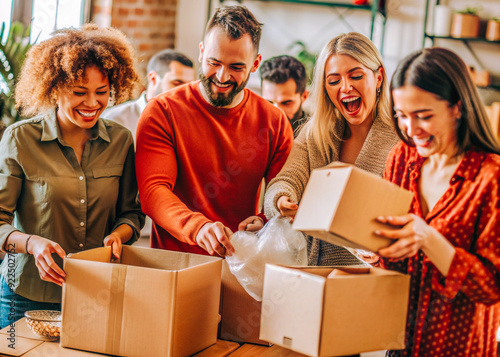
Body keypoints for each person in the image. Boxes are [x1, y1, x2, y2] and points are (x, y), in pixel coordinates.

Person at [0, 24, 145, 328]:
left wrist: (120, 235)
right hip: (25, 294)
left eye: (101, 92)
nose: (92, 103)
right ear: (53, 88)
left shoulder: (120, 141)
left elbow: (131, 213)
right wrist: (31, 244)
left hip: (96, 292)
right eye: (80, 92)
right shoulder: (20, 139)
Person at [135, 5, 294, 257]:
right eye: (214, 62)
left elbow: (283, 191)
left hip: (241, 265)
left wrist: (265, 218)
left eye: (236, 67)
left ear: (255, 64)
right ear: (201, 52)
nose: (222, 76)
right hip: (175, 263)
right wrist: (198, 228)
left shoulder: (274, 122)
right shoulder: (162, 111)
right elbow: (153, 191)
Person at [375, 47, 500, 356]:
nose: (411, 130)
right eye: (402, 116)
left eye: (424, 116)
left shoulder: (490, 177)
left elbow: (492, 287)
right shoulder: (401, 158)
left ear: (457, 107)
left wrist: (428, 238)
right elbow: (390, 260)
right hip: (398, 341)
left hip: (459, 347)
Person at [264, 32, 400, 266]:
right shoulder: (315, 133)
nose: (345, 87)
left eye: (355, 76)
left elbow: (412, 218)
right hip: (309, 275)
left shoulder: (401, 142)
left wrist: (387, 250)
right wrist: (281, 200)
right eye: (334, 81)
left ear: (379, 78)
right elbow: (285, 180)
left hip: (367, 284)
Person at [102, 49, 195, 142]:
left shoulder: (192, 123)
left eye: (189, 86)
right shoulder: (114, 120)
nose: (185, 92)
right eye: (177, 83)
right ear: (153, 79)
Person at [259, 55, 309, 137]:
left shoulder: (315, 136)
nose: (276, 113)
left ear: (304, 96)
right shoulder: (251, 125)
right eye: (269, 102)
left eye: (286, 103)